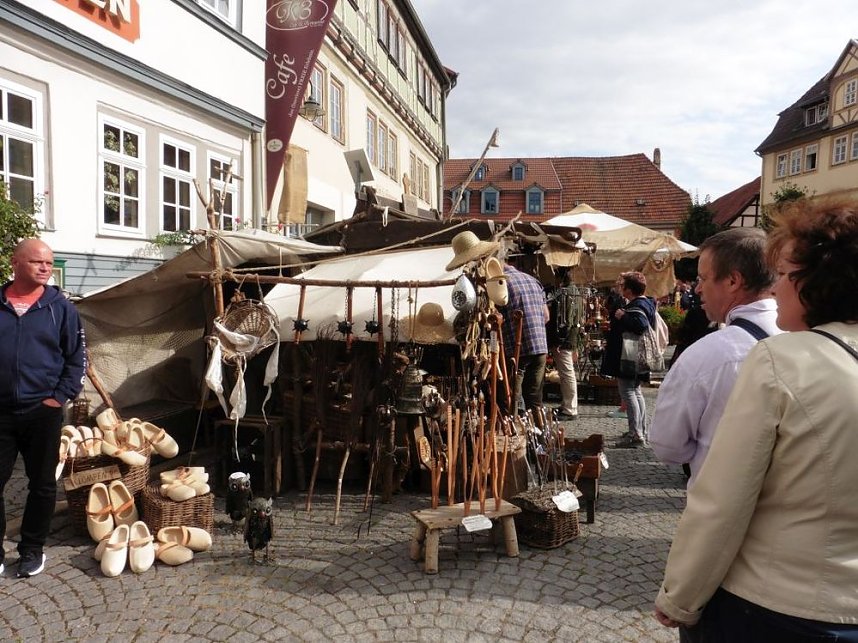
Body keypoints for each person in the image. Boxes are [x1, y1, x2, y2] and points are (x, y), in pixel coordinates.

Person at [654, 198, 858, 641]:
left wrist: (680, 596)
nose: (775, 288)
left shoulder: (782, 359)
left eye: (784, 275)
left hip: (778, 602)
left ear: (817, 282)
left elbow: (723, 499)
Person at [649, 228, 781, 486]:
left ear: (733, 281)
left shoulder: (706, 355)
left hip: (724, 506)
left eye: (703, 278)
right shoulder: (807, 338)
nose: (697, 289)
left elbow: (667, 446)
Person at [0, 239, 86, 578]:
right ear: (15, 263)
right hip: (1, 413)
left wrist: (60, 396)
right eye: (37, 262)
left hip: (43, 411)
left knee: (42, 484)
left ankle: (32, 550)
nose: (45, 268)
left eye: (49, 263)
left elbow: (77, 356)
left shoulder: (61, 308)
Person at [601, 271, 657, 448]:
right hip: (634, 355)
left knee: (629, 393)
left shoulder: (638, 305)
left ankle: (636, 434)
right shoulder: (644, 302)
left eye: (622, 285)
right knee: (636, 392)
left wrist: (622, 316)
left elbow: (639, 325)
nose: (620, 288)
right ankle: (640, 430)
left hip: (630, 355)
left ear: (629, 289)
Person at [500, 256, 549, 413]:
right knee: (534, 397)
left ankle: (514, 433)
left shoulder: (502, 284)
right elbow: (546, 316)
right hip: (540, 345)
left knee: (512, 397)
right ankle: (538, 434)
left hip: (518, 349)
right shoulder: (532, 280)